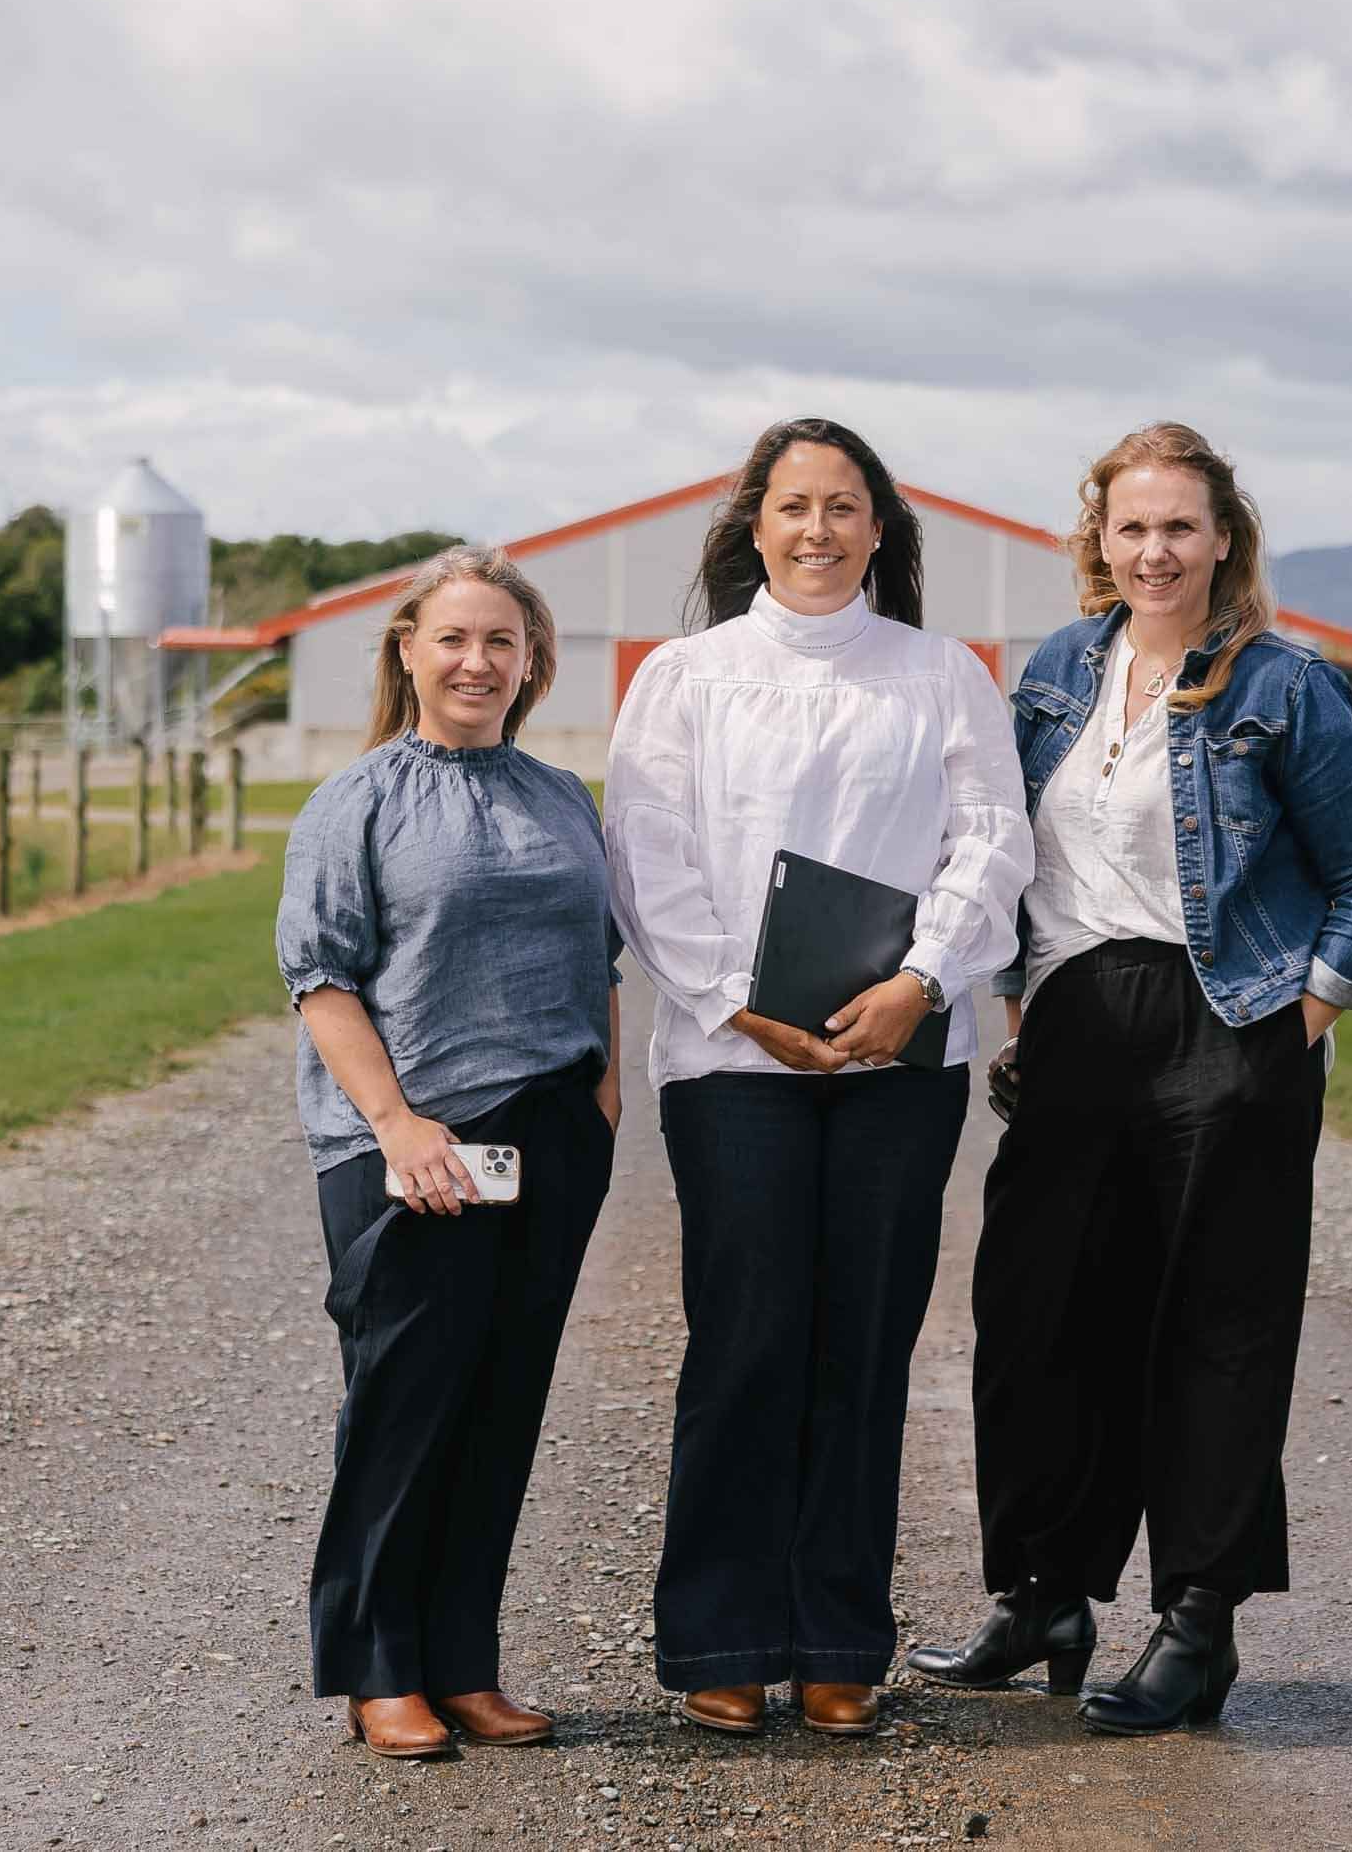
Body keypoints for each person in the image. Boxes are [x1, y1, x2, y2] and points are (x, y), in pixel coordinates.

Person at [906, 421, 1352, 1735]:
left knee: (1213, 1331)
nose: (1153, 549)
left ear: (1222, 538)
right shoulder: (1059, 669)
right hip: (1074, 1022)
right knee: (1034, 1315)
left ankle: (1196, 1623)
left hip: (1226, 1021)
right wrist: (1015, 1004)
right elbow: (1012, 852)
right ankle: (1042, 1592)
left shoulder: (1283, 687)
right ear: (1098, 539)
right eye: (1130, 527)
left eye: (1178, 525)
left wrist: (1290, 1024)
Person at [605, 416, 1032, 1741]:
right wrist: (743, 1002)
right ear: (751, 525)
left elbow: (991, 844)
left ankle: (838, 1633)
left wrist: (919, 977)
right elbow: (646, 854)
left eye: (843, 507)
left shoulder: (938, 675)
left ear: (879, 529)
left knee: (863, 1342)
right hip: (731, 1059)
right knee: (745, 1338)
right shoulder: (682, 676)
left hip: (900, 1057)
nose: (816, 531)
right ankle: (724, 1635)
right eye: (792, 506)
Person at [277, 547, 623, 1761]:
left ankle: (464, 1662)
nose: (478, 662)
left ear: (530, 664)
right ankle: (381, 1668)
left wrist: (601, 1102)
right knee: (406, 1409)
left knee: (501, 1407)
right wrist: (398, 1125)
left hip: (551, 1137)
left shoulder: (563, 793)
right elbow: (318, 980)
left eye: (503, 643)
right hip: (410, 1142)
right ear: (410, 652)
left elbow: (603, 961)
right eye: (455, 640)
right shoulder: (357, 800)